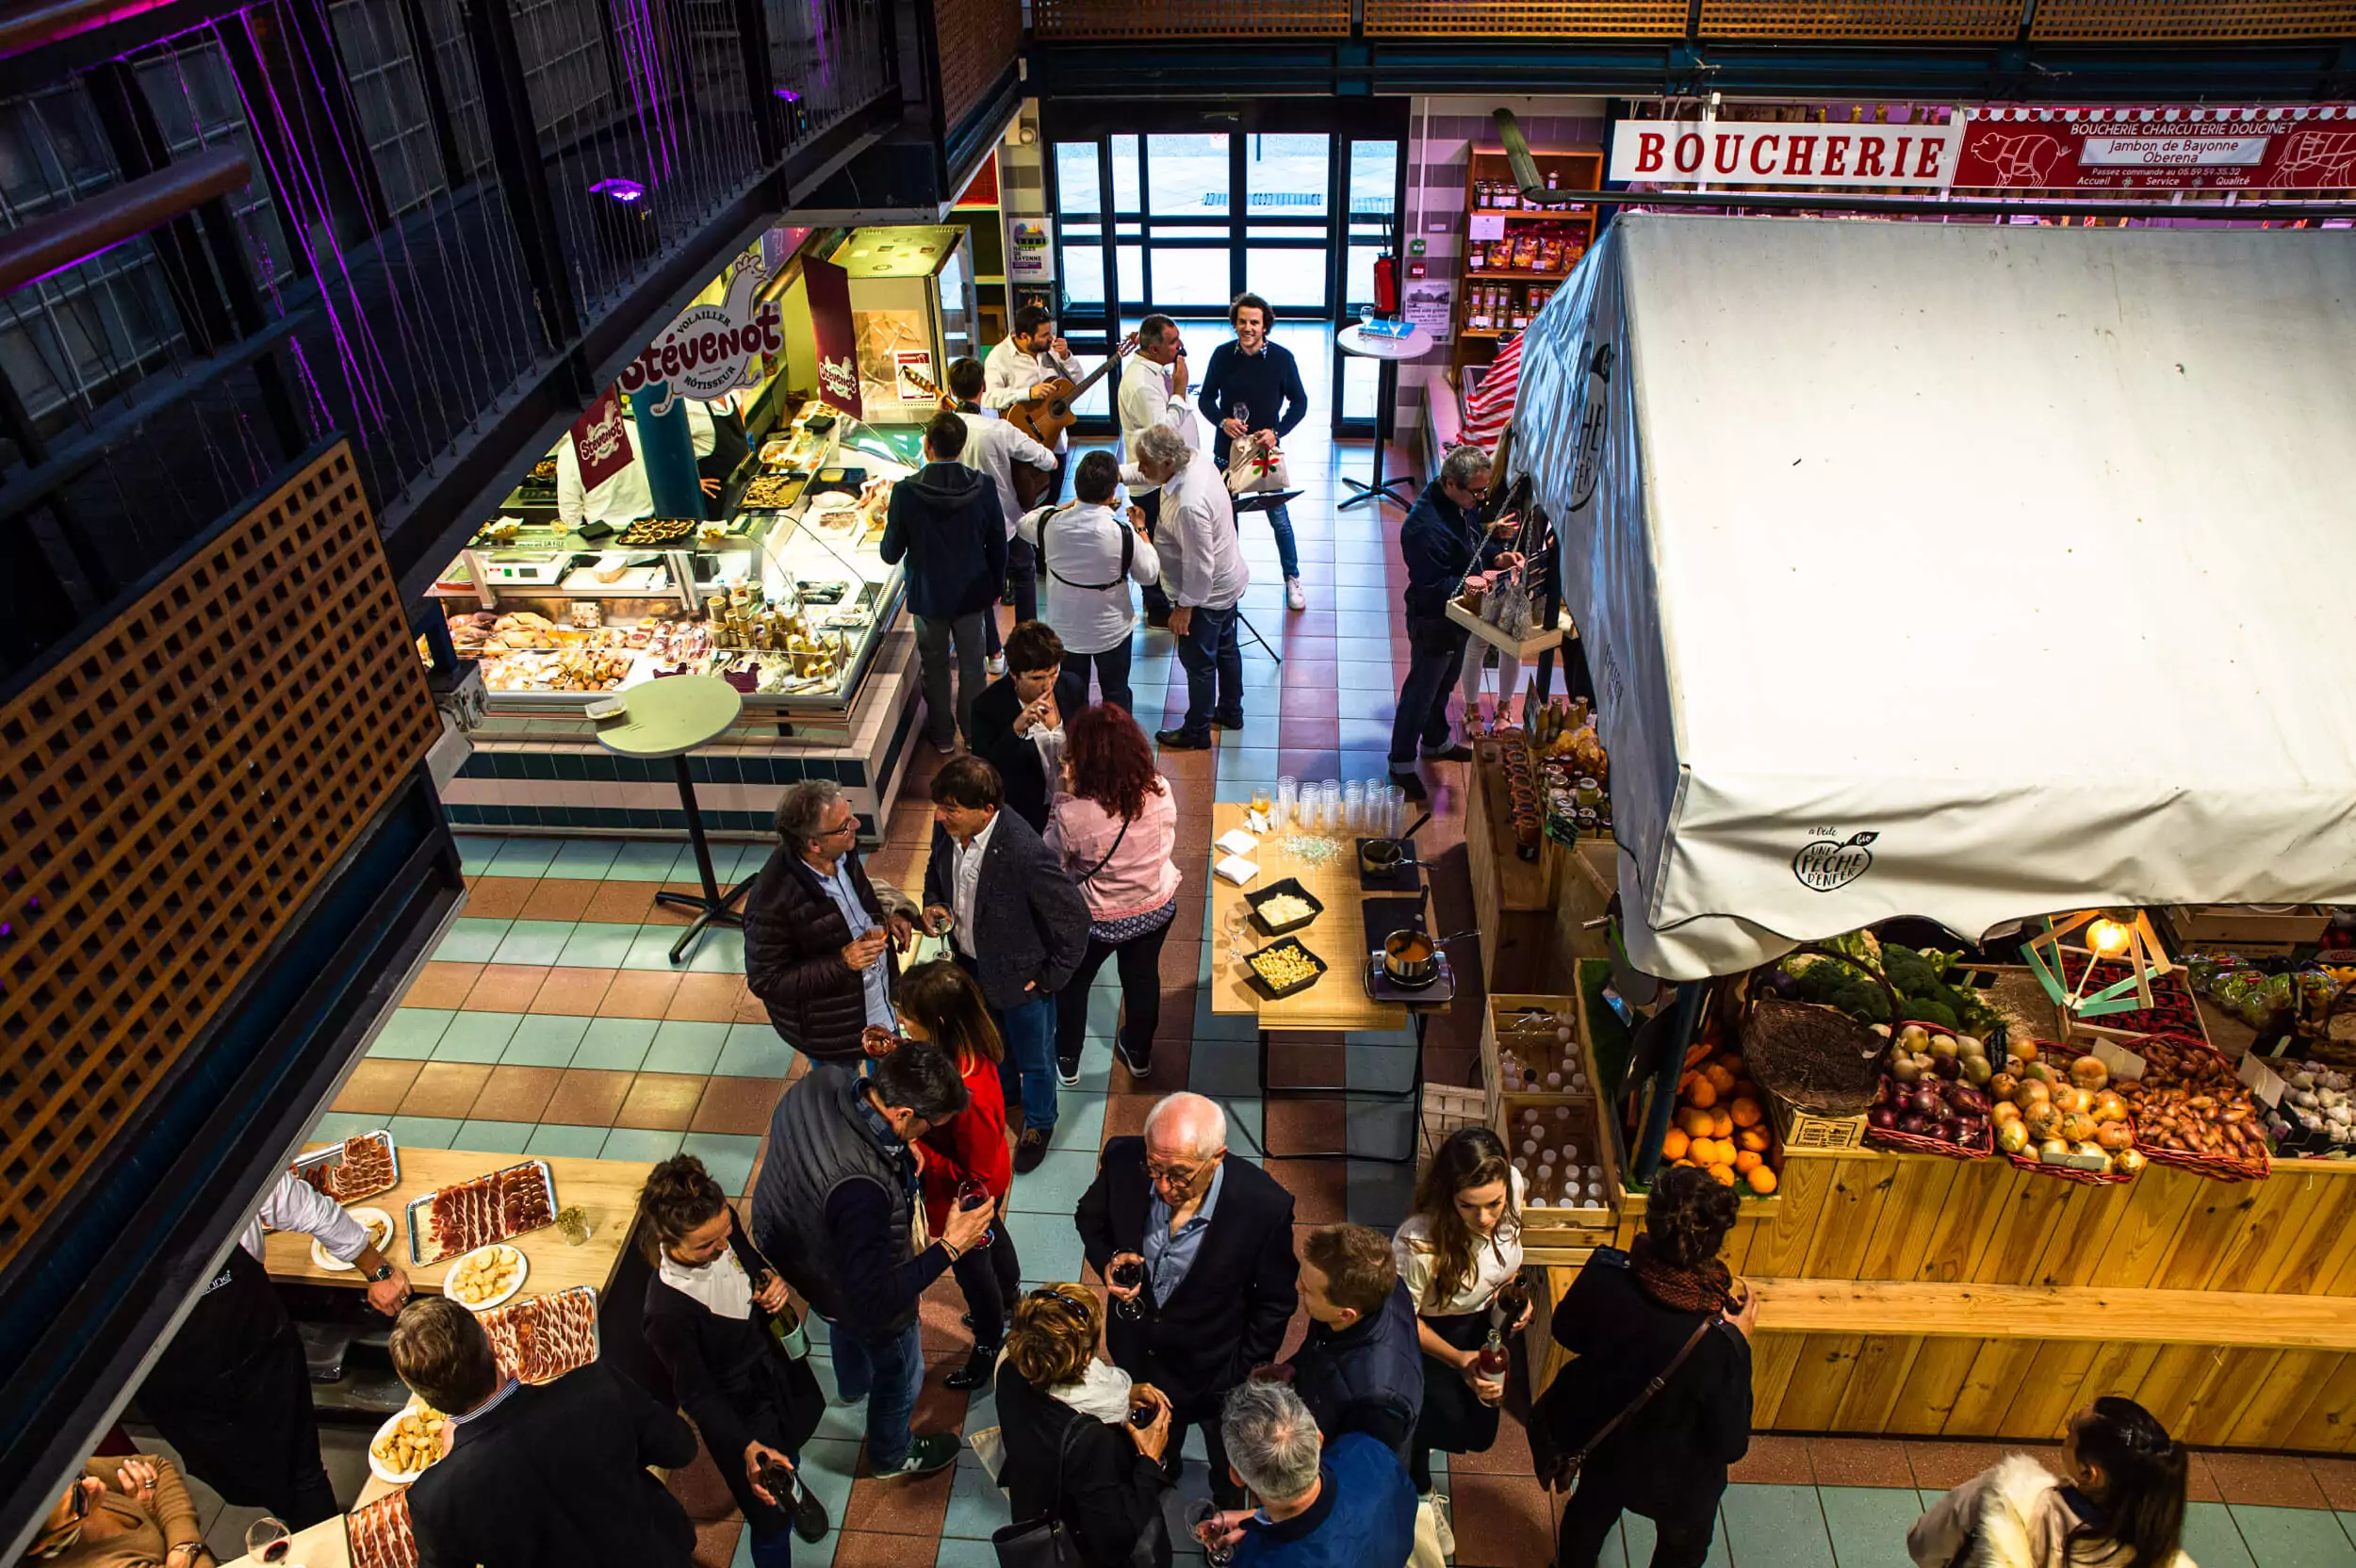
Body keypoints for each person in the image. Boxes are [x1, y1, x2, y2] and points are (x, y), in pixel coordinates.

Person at [747, 1041, 990, 1478]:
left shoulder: (824, 1081)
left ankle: (853, 1386)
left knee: (838, 1320)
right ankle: (891, 1454)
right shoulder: (862, 1190)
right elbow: (873, 1298)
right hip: (847, 1286)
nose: (928, 1135)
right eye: (928, 1126)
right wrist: (951, 1246)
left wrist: (897, 1149)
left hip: (792, 1246)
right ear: (901, 1114)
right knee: (900, 1373)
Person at [138, 1170, 411, 1529]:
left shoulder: (217, 1169)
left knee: (301, 1475)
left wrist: (376, 1267)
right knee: (245, 1478)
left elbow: (300, 1204)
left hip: (259, 1359)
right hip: (178, 1388)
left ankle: (320, 1528)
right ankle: (299, 1512)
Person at [1075, 1092, 1299, 1509]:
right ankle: (1162, 1468)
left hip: (1214, 1370)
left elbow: (1275, 1302)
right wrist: (1108, 1262)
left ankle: (1228, 1505)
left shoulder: (1263, 1207)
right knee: (1154, 1436)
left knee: (1228, 1459)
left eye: (1179, 1175)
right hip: (1138, 1355)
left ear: (1216, 1159)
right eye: (1154, 1169)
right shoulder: (1125, 1160)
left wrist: (1238, 1373)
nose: (1162, 1187)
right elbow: (1089, 1218)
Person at [1543, 1166, 1756, 1568]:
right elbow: (1731, 1444)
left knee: (1587, 1518)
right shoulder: (1720, 1342)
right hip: (1680, 1482)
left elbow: (1566, 1330)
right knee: (1682, 1549)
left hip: (1607, 1448)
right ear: (1717, 1241)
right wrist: (1738, 1339)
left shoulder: (1607, 1274)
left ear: (1650, 1222)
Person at [391, 1295, 701, 1568]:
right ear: (489, 1344)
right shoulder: (597, 1387)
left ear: (423, 1393)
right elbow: (680, 1448)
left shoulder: (434, 1498)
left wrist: (451, 1467)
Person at [637, 1156, 829, 1566]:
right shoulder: (667, 1313)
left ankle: (793, 1486)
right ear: (668, 1240)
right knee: (770, 1523)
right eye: (707, 1244)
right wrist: (745, 1446)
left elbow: (747, 1257)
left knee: (790, 1449)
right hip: (740, 1413)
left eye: (725, 1231)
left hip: (775, 1370)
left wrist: (769, 1280)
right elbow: (698, 1395)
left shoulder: (722, 1231)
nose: (723, 1246)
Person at [921, 755, 1089, 1173]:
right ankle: (1008, 1095)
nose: (940, 817)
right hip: (972, 968)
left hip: (1022, 979)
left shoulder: (1024, 851)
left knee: (1035, 1059)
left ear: (987, 810)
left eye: (951, 809)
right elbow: (934, 873)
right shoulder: (948, 830)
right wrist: (933, 905)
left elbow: (1074, 917)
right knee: (994, 1045)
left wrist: (1051, 978)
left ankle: (1039, 1123)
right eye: (940, 807)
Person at [892, 959, 1022, 1391]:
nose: (902, 1021)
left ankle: (988, 1340)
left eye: (909, 1016)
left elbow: (976, 1172)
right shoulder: (961, 1051)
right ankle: (1009, 1300)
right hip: (984, 1188)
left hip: (969, 1195)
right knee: (994, 1235)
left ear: (938, 1021)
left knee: (971, 1266)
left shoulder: (970, 1097)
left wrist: (919, 1145)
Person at [993, 1284, 1177, 1568]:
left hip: (1033, 1497)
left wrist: (1124, 1396)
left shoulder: (1010, 1369)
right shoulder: (1092, 1439)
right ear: (1087, 1359)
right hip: (1074, 1538)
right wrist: (1149, 1462)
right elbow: (1116, 1541)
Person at [1045, 703, 1181, 1085]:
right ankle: (1138, 1054)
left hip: (1096, 921)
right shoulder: (1160, 789)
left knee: (1073, 984)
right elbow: (1166, 836)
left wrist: (1061, 797)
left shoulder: (1075, 814)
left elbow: (1049, 863)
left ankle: (1068, 1060)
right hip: (1155, 907)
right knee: (1141, 978)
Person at [1391, 1126, 1530, 1498]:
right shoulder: (1418, 1244)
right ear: (1447, 1195)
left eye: (1494, 1204)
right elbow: (1401, 1320)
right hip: (1435, 1337)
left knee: (1480, 1428)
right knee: (1425, 1422)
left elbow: (1506, 1262)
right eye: (1468, 1205)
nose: (1485, 1218)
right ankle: (1420, 1492)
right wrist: (1456, 1359)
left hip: (1485, 1325)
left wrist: (1512, 1295)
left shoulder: (1512, 1185)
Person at [742, 779, 920, 1068]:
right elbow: (766, 980)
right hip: (833, 1029)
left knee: (889, 1084)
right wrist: (841, 963)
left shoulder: (841, 851)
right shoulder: (772, 902)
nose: (856, 825)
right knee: (840, 1098)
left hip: (878, 999)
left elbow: (856, 900)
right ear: (813, 844)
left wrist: (891, 912)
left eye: (849, 814)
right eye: (844, 825)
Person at [1908, 1397, 2192, 1568]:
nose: (2064, 1433)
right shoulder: (2164, 1557)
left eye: (2071, 1430)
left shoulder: (2008, 1493)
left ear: (2088, 1473)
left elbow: (1923, 1544)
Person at [1389, 445, 1524, 801]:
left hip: (1461, 615)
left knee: (1444, 683)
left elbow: (1473, 543)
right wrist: (1484, 577)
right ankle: (1401, 762)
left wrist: (1497, 553)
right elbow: (1434, 589)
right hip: (1434, 619)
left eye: (1484, 491)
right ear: (1450, 483)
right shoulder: (1422, 528)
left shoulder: (1460, 505)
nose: (1481, 500)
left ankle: (1435, 741)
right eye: (1476, 492)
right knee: (1421, 691)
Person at [879, 410, 1007, 751]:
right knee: (972, 668)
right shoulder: (983, 487)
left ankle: (941, 735)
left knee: (934, 668)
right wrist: (996, 586)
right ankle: (972, 731)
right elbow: (997, 544)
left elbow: (891, 553)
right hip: (972, 592)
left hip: (928, 596)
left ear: (927, 446)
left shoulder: (906, 492)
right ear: (962, 446)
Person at [1125, 423, 1249, 751]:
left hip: (1207, 594)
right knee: (1226, 648)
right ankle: (1231, 711)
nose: (1140, 469)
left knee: (1199, 663)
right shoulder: (1192, 458)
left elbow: (1198, 564)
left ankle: (1196, 731)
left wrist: (1184, 607)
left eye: (1145, 464)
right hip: (1229, 580)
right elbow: (1146, 474)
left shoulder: (1188, 503)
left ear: (1166, 464)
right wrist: (1116, 475)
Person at [1205, 1380, 1416, 1568]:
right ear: (1319, 1438)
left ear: (1237, 1477)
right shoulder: (1368, 1451)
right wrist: (1259, 1519)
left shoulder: (1257, 1561)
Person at [1021, 449, 1161, 714]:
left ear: (1076, 487)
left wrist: (1072, 505)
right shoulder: (1123, 534)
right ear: (1112, 494)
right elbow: (1150, 573)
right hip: (1112, 631)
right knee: (1116, 692)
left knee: (1072, 695)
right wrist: (1141, 529)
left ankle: (1077, 746)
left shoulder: (1048, 524)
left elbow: (1023, 523)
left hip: (1066, 629)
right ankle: (1118, 745)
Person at [1196, 292, 1309, 611]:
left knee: (1279, 518)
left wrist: (1278, 432)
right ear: (1235, 323)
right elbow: (1205, 399)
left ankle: (1292, 576)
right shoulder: (1221, 356)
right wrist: (1222, 421)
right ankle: (1228, 579)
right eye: (1242, 321)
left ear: (1265, 326)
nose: (1248, 327)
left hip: (1263, 453)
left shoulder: (1282, 359)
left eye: (1254, 322)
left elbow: (1300, 402)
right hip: (1226, 452)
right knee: (1226, 519)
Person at [944, 354, 1057, 665]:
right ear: (983, 387)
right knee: (1024, 575)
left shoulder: (946, 431)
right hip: (1007, 520)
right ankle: (1028, 648)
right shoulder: (999, 430)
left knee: (980, 587)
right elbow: (1048, 460)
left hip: (964, 527)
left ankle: (993, 653)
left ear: (952, 390)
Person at [1284, 1224, 1424, 1463]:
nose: (1297, 1287)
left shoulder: (1378, 1399)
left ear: (1346, 1313)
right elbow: (1322, 1345)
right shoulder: (1376, 1289)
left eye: (1307, 1289)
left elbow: (1360, 1470)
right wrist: (1294, 1368)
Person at [1117, 314, 1194, 626]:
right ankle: (1158, 607)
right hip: (1149, 479)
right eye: (1173, 342)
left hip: (1163, 472)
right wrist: (1179, 391)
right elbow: (1161, 433)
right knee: (1157, 543)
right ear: (1152, 349)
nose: (1180, 347)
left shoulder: (1152, 368)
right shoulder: (1141, 385)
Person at [968, 619, 1066, 832]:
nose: (1048, 685)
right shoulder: (987, 707)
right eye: (1037, 677)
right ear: (1013, 674)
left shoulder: (1071, 687)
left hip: (1069, 804)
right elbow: (984, 772)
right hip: (1024, 814)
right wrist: (1015, 731)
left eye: (1053, 673)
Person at [25, 1455, 206, 1568]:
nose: (94, 1482)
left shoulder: (52, 1483)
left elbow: (157, 1466)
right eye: (79, 1500)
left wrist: (184, 1544)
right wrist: (157, 1518)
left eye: (77, 1474)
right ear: (40, 1545)